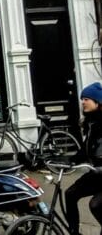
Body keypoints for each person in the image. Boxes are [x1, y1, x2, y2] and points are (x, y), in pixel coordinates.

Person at [65, 82, 102, 235]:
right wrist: (69, 161)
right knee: (70, 194)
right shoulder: (91, 123)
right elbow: (85, 149)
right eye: (82, 99)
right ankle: (74, 232)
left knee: (96, 205)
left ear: (98, 102)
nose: (83, 102)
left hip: (101, 171)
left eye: (87, 99)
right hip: (97, 173)